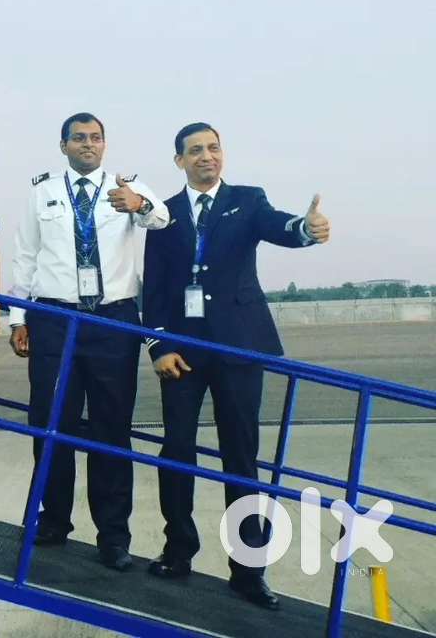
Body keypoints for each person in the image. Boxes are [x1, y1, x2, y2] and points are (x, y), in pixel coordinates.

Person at [142, 122, 330, 611]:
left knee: (241, 458)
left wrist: (306, 229)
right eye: (195, 150)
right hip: (183, 351)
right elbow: (154, 287)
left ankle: (249, 570)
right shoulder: (163, 214)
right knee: (176, 451)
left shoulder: (247, 201)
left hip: (239, 348)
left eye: (213, 148)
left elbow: (280, 226)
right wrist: (158, 346)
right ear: (179, 160)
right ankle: (178, 550)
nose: (207, 156)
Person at [9, 113, 168, 571]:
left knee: (111, 429)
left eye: (95, 138)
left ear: (104, 144)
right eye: (78, 138)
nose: (88, 144)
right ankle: (53, 521)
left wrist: (138, 203)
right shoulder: (42, 191)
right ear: (63, 146)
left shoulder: (126, 187)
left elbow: (162, 218)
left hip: (113, 321)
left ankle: (113, 536)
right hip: (55, 319)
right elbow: (25, 255)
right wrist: (18, 318)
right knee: (50, 421)